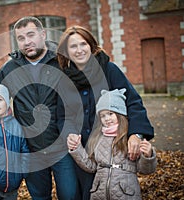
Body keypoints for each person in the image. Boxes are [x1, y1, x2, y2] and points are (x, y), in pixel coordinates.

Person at [0, 16, 78, 199]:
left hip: (61, 147)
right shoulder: (10, 69)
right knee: (40, 197)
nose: (27, 42)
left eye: (31, 35)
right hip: (31, 150)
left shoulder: (60, 63)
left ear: (43, 34)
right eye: (21, 38)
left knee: (70, 195)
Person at [56, 26, 154, 199]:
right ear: (66, 52)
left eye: (83, 44)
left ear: (91, 45)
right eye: (73, 46)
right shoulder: (64, 80)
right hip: (82, 153)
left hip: (111, 150)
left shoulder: (109, 69)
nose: (79, 50)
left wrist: (136, 135)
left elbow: (134, 103)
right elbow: (63, 116)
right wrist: (69, 134)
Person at [68, 88, 157, 199]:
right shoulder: (98, 138)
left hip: (126, 194)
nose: (107, 118)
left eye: (110, 114)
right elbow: (91, 166)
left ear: (120, 114)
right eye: (103, 115)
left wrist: (148, 155)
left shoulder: (130, 138)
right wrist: (77, 149)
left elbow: (146, 170)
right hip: (100, 194)